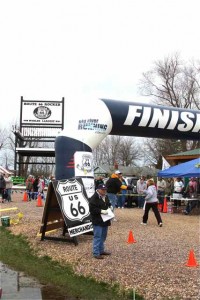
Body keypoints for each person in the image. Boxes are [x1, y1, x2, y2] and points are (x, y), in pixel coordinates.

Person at [89, 184, 112, 259]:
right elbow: (92, 209)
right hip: (97, 220)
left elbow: (108, 203)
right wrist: (101, 211)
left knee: (103, 236)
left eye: (105, 189)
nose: (104, 191)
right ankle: (96, 253)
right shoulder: (94, 198)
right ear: (98, 190)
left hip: (105, 219)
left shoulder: (105, 196)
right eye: (102, 190)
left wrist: (110, 206)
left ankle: (101, 250)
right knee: (98, 236)